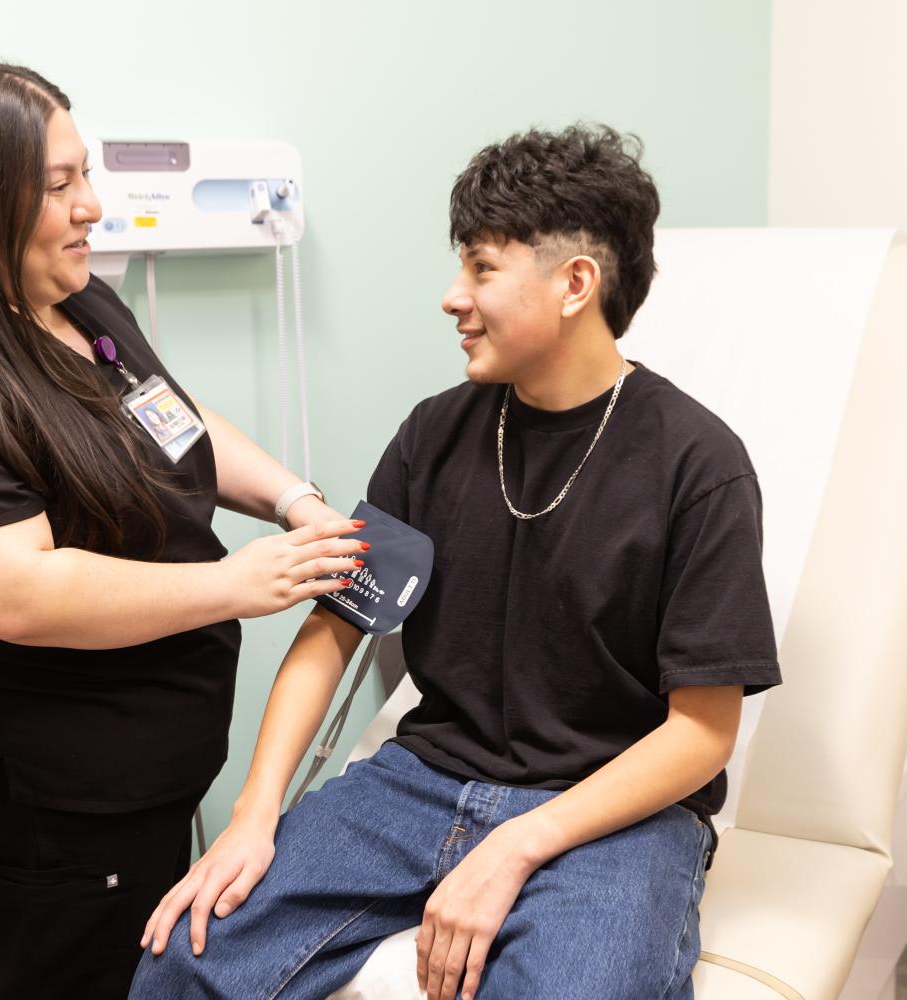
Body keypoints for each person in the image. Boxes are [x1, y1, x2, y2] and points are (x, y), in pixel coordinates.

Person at [131, 125, 783, 1000]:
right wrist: (255, 816)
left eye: (480, 268)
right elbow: (334, 631)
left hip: (615, 816)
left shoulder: (696, 467)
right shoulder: (434, 436)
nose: (452, 296)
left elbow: (701, 734)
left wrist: (515, 845)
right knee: (188, 955)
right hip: (423, 784)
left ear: (574, 285)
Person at [0, 61, 366, 1000]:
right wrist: (240, 583)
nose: (91, 207)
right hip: (42, 806)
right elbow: (15, 593)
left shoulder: (74, 304)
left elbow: (175, 421)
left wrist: (295, 500)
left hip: (134, 775)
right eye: (59, 185)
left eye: (86, 176)